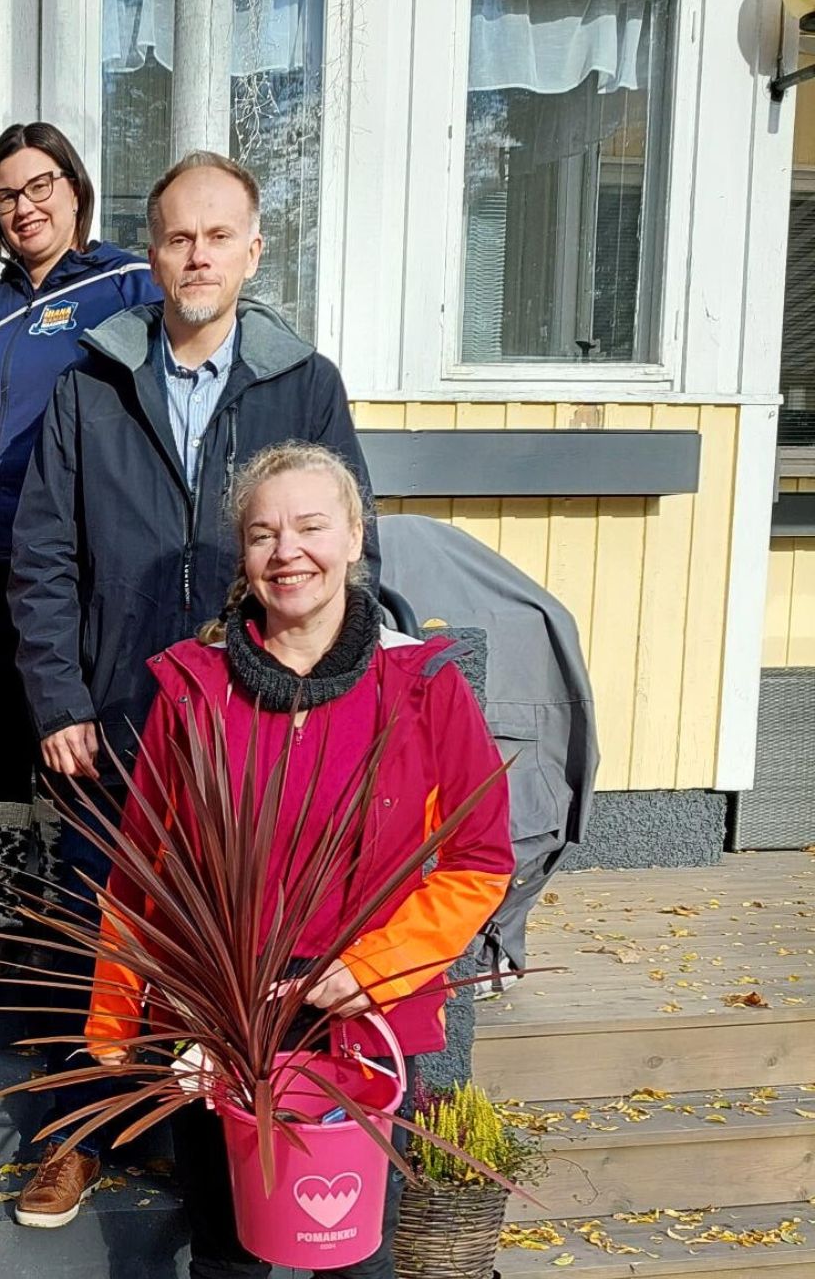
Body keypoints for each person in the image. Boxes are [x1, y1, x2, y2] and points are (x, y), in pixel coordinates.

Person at [4, 151, 378, 1224]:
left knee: (238, 932)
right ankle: (78, 1129)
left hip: (257, 718)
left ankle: (203, 1135)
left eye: (220, 236)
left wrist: (332, 698)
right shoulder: (92, 381)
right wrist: (58, 700)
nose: (198, 254)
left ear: (253, 251)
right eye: (178, 236)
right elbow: (44, 555)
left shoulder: (303, 381)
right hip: (116, 707)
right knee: (94, 928)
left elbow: (349, 544)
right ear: (150, 252)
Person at [84, 442, 515, 1278]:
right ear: (243, 557)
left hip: (359, 1016)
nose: (288, 552)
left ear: (355, 537)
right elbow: (140, 866)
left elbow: (478, 859)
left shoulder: (423, 684)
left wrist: (373, 968)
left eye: (312, 527)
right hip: (219, 1008)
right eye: (263, 534)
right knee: (228, 1253)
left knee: (352, 1257)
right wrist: (115, 1020)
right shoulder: (194, 686)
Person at [0, 122, 159, 978]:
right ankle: (1, 918)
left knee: (71, 735)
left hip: (72, 561)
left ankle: (71, 921)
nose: (25, 206)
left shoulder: (126, 284)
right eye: (7, 194)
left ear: (75, 189)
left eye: (40, 185)